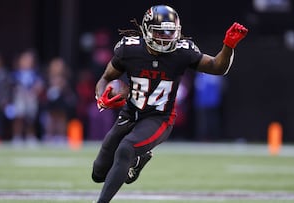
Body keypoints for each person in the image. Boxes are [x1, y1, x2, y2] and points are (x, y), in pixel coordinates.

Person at [91, 5, 248, 203]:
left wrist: (228, 45)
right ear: (147, 30)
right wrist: (102, 96)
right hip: (130, 113)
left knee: (125, 149)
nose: (166, 37)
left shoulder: (182, 52)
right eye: (160, 32)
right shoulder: (129, 50)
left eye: (170, 32)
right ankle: (138, 161)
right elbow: (105, 78)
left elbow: (217, 67)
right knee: (98, 173)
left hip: (159, 118)